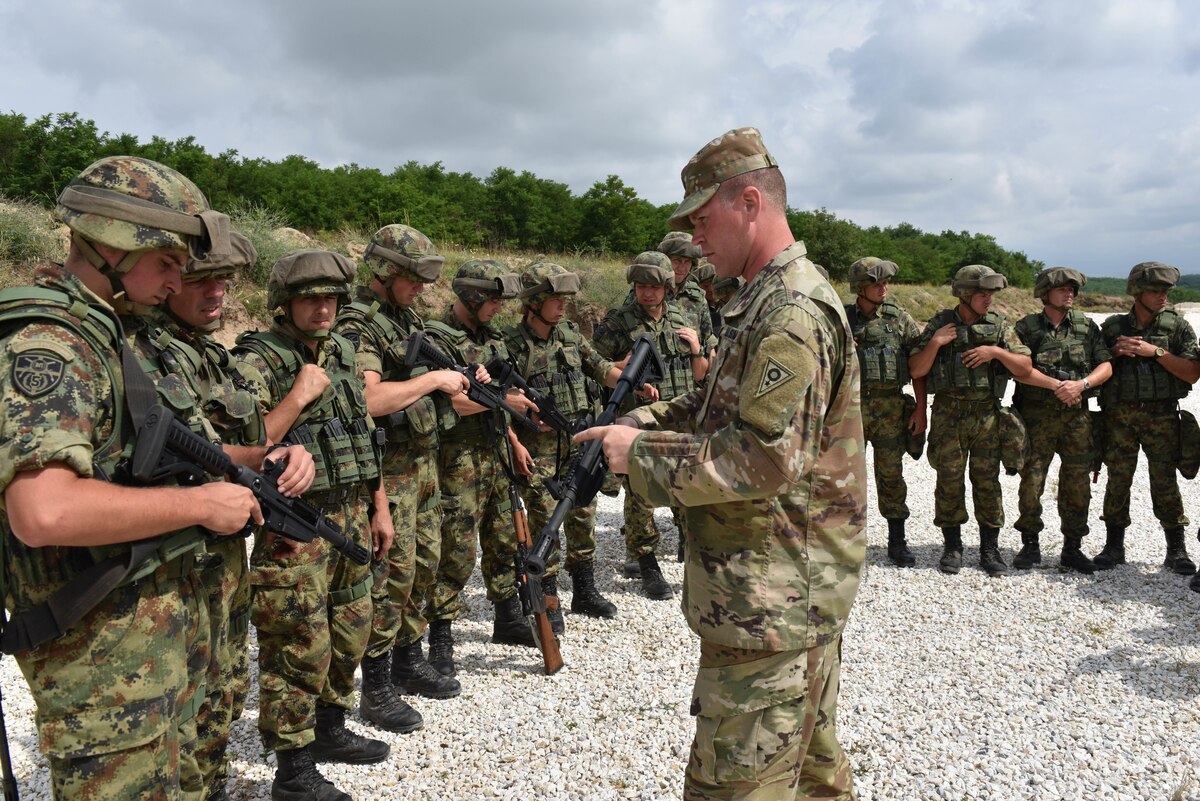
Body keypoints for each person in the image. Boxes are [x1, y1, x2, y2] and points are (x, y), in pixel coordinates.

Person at [577, 127, 866, 800]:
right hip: (790, 594)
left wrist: (640, 456)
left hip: (774, 603)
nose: (694, 238)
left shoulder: (790, 311)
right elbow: (718, 402)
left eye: (702, 219)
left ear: (750, 202)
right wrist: (640, 421)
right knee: (813, 775)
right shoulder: (761, 298)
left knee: (736, 786)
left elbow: (766, 458)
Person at [0, 155, 264, 801]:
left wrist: (256, 462)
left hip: (147, 636)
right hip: (100, 654)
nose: (178, 283)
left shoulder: (114, 334)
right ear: (111, 243)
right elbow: (44, 510)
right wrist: (199, 503)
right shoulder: (51, 342)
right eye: (168, 262)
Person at [151, 231, 316, 801]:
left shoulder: (208, 353)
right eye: (202, 279)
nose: (217, 291)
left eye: (224, 279)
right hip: (169, 560)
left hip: (220, 554)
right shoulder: (146, 353)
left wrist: (272, 470)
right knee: (179, 707)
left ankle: (216, 786)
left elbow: (222, 451)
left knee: (222, 689)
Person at [234, 249, 395, 801]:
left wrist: (380, 505)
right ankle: (294, 772)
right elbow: (242, 451)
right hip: (295, 526)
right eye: (309, 298)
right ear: (285, 303)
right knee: (297, 642)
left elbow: (362, 432)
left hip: (351, 510)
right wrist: (297, 397)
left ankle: (328, 728)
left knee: (351, 630)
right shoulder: (259, 359)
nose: (322, 307)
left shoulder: (344, 351)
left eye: (330, 297)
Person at [332, 224, 464, 713]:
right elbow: (368, 398)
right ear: (385, 271)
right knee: (391, 575)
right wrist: (432, 379)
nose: (422, 288)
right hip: (388, 470)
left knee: (424, 566)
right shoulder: (359, 324)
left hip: (423, 462)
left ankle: (409, 658)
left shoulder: (404, 319)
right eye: (413, 277)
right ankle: (377, 685)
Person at [503, 261, 655, 622]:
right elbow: (496, 401)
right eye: (555, 297)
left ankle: (584, 589)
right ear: (534, 301)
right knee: (545, 521)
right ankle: (550, 595)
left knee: (583, 514)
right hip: (537, 452)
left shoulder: (570, 336)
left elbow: (600, 366)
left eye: (566, 297)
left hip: (577, 442)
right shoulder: (511, 345)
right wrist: (514, 443)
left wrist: (632, 382)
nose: (563, 304)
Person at [423, 260, 540, 650]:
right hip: (458, 458)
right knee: (456, 548)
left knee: (504, 538)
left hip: (495, 451)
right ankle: (440, 637)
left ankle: (507, 618)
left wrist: (515, 440)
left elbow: (498, 404)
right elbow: (450, 404)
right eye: (491, 299)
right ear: (470, 296)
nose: (498, 307)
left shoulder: (493, 339)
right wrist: (503, 402)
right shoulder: (435, 338)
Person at [592, 252, 710, 599]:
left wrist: (697, 350)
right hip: (639, 421)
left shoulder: (684, 317)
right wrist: (625, 367)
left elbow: (701, 375)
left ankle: (693, 555)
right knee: (640, 494)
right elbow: (595, 369)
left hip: (681, 419)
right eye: (641, 286)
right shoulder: (618, 323)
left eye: (654, 286)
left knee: (689, 488)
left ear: (667, 287)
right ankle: (646, 562)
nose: (647, 293)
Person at [909, 264, 1032, 577]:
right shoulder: (940, 323)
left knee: (987, 482)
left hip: (987, 415)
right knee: (948, 480)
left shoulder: (998, 324)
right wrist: (936, 343)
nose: (988, 298)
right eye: (982, 293)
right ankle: (952, 547)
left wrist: (995, 352)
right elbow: (917, 370)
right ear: (964, 294)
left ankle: (989, 549)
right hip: (948, 413)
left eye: (990, 292)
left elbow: (1024, 364)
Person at [1094, 262, 1200, 576]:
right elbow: (1095, 367)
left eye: (1166, 290)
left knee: (1165, 480)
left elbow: (1192, 373)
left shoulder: (1177, 327)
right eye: (1155, 290)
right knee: (1118, 479)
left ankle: (1176, 549)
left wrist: (1154, 352)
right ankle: (1114, 545)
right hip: (1120, 416)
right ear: (1137, 293)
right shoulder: (1113, 327)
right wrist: (1114, 352)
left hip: (1162, 415)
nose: (1163, 296)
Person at [1010, 267, 1112, 574]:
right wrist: (1057, 386)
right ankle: (1030, 544)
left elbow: (1105, 365)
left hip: (1077, 419)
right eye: (1062, 289)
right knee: (1032, 481)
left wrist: (1081, 386)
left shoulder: (1085, 326)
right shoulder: (1026, 327)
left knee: (1077, 482)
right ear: (1045, 294)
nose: (1070, 293)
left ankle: (1072, 547)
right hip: (1036, 417)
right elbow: (1019, 369)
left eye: (1073, 289)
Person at [843, 257, 926, 567]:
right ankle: (847, 542)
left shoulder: (899, 318)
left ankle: (897, 541)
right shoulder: (842, 318)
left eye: (885, 282)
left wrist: (921, 408)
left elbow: (918, 367)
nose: (883, 287)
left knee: (891, 475)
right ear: (859, 288)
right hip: (851, 409)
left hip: (890, 407)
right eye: (876, 283)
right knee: (848, 478)